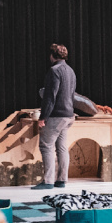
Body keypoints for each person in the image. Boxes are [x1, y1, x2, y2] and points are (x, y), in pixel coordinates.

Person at [33, 43, 77, 190]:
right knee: (62, 148)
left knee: (46, 146)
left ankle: (48, 181)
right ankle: (62, 180)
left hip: (56, 116)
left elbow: (50, 97)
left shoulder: (54, 70)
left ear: (52, 56)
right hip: (69, 115)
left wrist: (43, 117)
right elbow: (72, 94)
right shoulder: (71, 71)